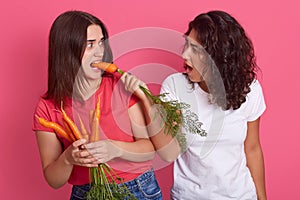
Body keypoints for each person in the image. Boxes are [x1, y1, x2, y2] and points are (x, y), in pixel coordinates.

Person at [32, 10, 162, 200]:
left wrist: (115, 149)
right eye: (90, 44)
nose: (100, 51)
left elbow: (148, 149)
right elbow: (54, 180)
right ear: (67, 50)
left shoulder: (121, 87)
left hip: (138, 189)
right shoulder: (47, 107)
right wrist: (68, 158)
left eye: (101, 42)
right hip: (86, 193)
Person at [159, 10, 267, 199]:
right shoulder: (175, 86)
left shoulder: (251, 90)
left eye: (195, 49)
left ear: (219, 57)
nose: (184, 54)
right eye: (186, 44)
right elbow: (168, 150)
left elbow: (252, 148)